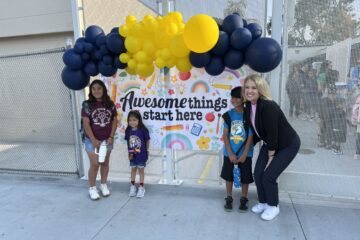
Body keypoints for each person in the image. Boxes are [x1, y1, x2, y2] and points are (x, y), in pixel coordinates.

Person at [243, 74, 301, 221]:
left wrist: (270, 156)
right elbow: (257, 131)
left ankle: (273, 206)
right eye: (247, 87)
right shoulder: (249, 105)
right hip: (270, 143)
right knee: (257, 174)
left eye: (253, 87)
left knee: (268, 176)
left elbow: (273, 133)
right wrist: (244, 146)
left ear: (260, 89)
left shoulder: (268, 106)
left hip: (287, 144)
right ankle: (263, 202)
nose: (249, 91)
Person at [81, 79, 118, 200]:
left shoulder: (110, 104)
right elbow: (86, 124)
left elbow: (114, 121)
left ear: (103, 90)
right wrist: (93, 139)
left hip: (107, 140)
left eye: (99, 88)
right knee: (95, 163)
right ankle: (92, 188)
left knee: (105, 163)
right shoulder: (87, 105)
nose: (96, 91)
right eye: (94, 89)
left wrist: (111, 136)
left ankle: (103, 185)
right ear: (91, 91)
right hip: (91, 140)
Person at [221, 86, 254, 212]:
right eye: (232, 97)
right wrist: (230, 153)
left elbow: (250, 135)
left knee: (245, 177)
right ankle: (229, 197)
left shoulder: (249, 115)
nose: (233, 100)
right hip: (229, 153)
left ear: (243, 99)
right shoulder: (228, 115)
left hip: (246, 154)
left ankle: (244, 198)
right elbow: (225, 135)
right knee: (228, 176)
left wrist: (245, 153)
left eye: (237, 97)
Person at [124, 110, 150, 198]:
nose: (132, 122)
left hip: (141, 155)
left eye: (134, 120)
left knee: (141, 170)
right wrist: (130, 154)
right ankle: (132, 186)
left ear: (139, 120)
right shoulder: (128, 130)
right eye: (130, 120)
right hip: (132, 156)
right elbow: (128, 142)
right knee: (133, 169)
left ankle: (141, 187)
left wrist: (147, 150)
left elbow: (147, 140)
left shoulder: (143, 130)